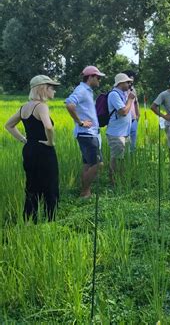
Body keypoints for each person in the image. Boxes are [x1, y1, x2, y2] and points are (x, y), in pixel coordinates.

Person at [4, 75, 60, 222]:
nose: (54, 91)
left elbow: (8, 125)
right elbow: (48, 126)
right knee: (50, 185)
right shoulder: (41, 106)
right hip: (44, 150)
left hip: (29, 149)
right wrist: (50, 142)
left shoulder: (24, 107)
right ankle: (51, 221)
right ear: (43, 88)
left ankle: (30, 220)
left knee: (32, 185)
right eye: (52, 88)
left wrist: (24, 140)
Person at [65, 65, 105, 198]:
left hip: (90, 133)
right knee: (98, 164)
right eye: (98, 77)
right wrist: (80, 122)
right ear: (90, 77)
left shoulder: (87, 91)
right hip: (87, 134)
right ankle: (84, 192)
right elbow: (69, 104)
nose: (99, 80)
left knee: (88, 164)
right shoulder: (82, 89)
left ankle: (86, 192)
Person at [106, 73, 136, 184]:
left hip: (124, 133)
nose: (129, 84)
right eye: (127, 82)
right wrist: (130, 100)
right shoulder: (114, 94)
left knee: (121, 159)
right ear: (120, 83)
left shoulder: (122, 94)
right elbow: (123, 112)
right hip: (116, 133)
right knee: (116, 158)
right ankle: (113, 182)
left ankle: (121, 180)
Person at [122, 70, 140, 152]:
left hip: (133, 119)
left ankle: (132, 157)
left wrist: (138, 115)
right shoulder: (121, 91)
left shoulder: (133, 90)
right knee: (125, 141)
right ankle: (125, 157)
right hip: (125, 119)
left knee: (133, 140)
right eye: (130, 80)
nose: (131, 82)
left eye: (132, 80)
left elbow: (136, 102)